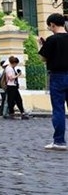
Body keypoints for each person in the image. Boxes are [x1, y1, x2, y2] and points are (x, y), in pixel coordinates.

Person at [38, 13, 68, 150]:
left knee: (58, 109)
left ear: (52, 25)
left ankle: (59, 141)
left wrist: (42, 46)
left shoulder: (52, 40)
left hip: (58, 76)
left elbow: (43, 58)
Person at [4, 56, 29, 120]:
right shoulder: (9, 68)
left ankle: (20, 113)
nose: (16, 65)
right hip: (11, 86)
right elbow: (11, 78)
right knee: (12, 100)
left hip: (13, 86)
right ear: (14, 63)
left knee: (18, 100)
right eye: (16, 64)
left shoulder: (11, 68)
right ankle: (12, 113)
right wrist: (18, 75)